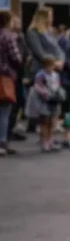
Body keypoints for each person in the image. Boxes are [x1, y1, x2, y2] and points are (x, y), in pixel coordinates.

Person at [26, 55, 64, 152]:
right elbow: (37, 87)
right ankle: (44, 141)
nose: (50, 68)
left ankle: (50, 140)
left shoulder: (55, 75)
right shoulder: (40, 75)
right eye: (48, 66)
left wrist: (58, 92)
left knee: (52, 122)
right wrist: (46, 93)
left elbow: (58, 84)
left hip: (54, 100)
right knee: (44, 121)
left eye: (52, 65)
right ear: (44, 65)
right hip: (43, 101)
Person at [0, 10, 23, 156]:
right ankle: (2, 142)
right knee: (4, 111)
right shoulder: (8, 37)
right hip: (5, 77)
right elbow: (16, 58)